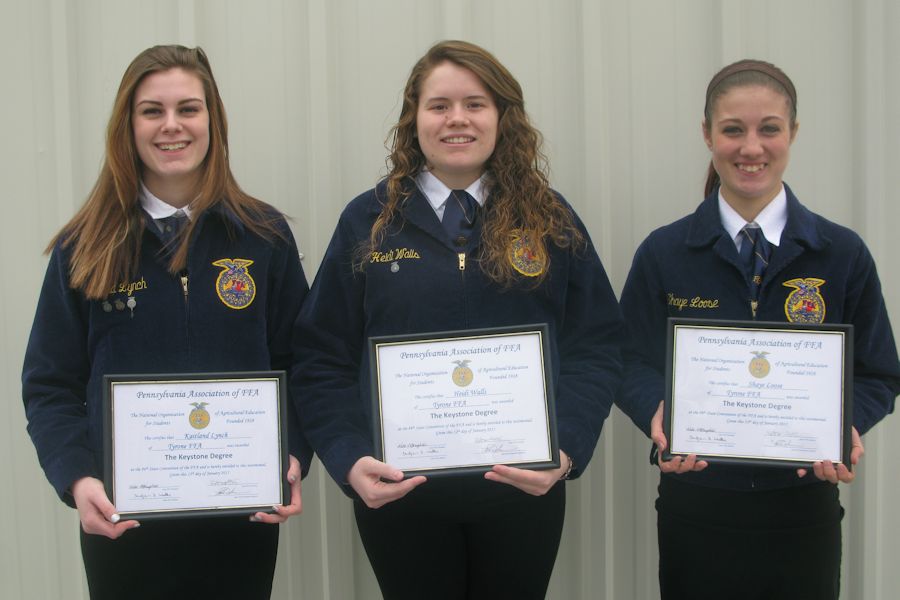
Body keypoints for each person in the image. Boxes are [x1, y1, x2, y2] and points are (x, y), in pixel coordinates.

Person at [293, 40, 623, 599]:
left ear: (502, 117)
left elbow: (597, 344)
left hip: (522, 494)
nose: (457, 119)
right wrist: (349, 459)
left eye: (475, 103)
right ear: (414, 119)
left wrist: (564, 448)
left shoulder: (549, 217)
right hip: (402, 498)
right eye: (439, 105)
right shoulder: (368, 222)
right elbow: (321, 356)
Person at [21, 45, 310, 600]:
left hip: (241, 516)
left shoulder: (264, 236)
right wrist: (79, 480)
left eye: (189, 109)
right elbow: (49, 385)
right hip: (124, 523)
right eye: (152, 110)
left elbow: (298, 363)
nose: (171, 126)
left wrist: (290, 454)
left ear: (213, 121)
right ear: (127, 126)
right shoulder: (83, 247)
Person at [616, 58, 900, 599]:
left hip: (801, 509)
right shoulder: (665, 253)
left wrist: (845, 424)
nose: (752, 147)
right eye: (732, 130)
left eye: (769, 128)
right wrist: (656, 410)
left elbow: (878, 372)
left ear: (793, 132)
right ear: (707, 135)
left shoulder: (841, 255)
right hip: (696, 508)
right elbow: (628, 358)